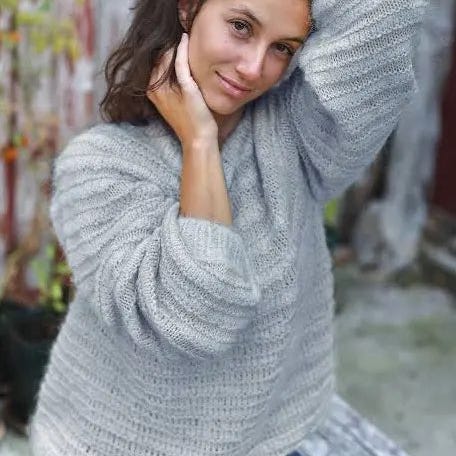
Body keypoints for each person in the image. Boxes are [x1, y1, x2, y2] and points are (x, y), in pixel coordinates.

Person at [29, 0, 426, 455]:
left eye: (282, 47)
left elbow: (385, 17)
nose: (254, 67)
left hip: (271, 439)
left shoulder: (296, 139)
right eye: (240, 27)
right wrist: (199, 141)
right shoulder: (98, 169)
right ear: (187, 8)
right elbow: (197, 322)